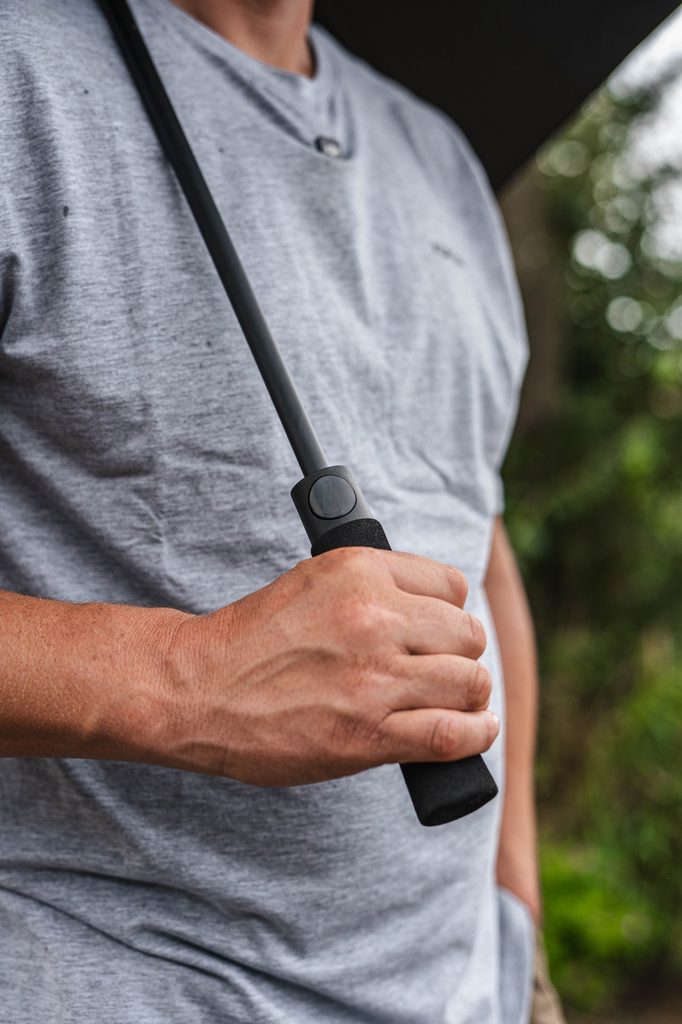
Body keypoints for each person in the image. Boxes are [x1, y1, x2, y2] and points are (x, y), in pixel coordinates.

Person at [0, 0, 565, 1021]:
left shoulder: (438, 158)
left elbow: (475, 538)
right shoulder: (19, 72)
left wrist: (517, 931)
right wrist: (186, 677)